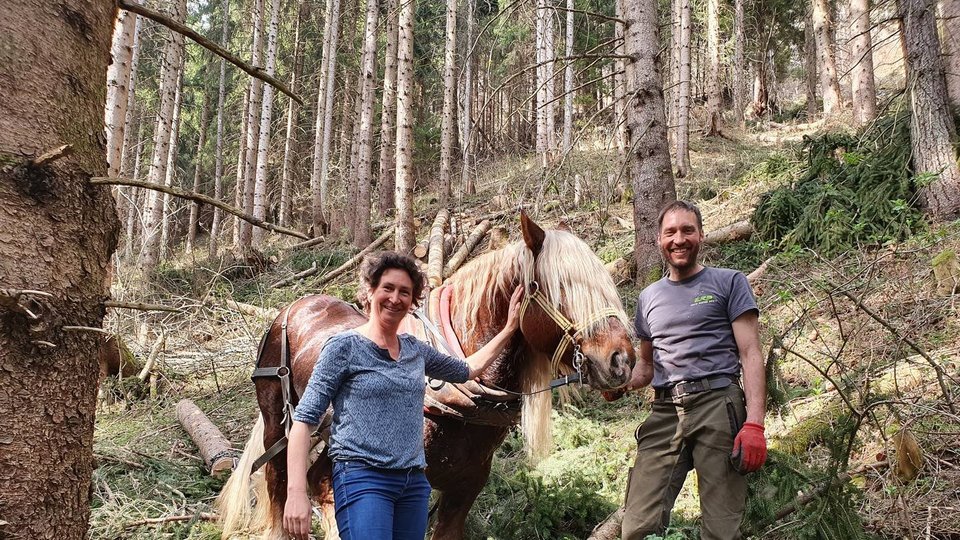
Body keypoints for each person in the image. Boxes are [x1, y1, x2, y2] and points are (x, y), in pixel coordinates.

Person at [282, 251, 523, 540]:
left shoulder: (415, 349)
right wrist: (296, 493)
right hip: (362, 479)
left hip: (413, 485)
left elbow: (468, 369)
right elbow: (304, 420)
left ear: (413, 301)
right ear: (370, 291)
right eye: (388, 288)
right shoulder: (343, 348)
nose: (395, 298)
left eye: (405, 292)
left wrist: (509, 329)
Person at [621, 201, 767, 540]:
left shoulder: (728, 282)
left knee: (720, 530)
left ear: (701, 235)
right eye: (670, 232)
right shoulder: (648, 298)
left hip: (719, 403)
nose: (679, 239)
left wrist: (755, 424)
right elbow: (646, 365)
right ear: (658, 240)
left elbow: (750, 352)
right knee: (636, 527)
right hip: (665, 411)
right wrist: (618, 383)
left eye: (687, 230)